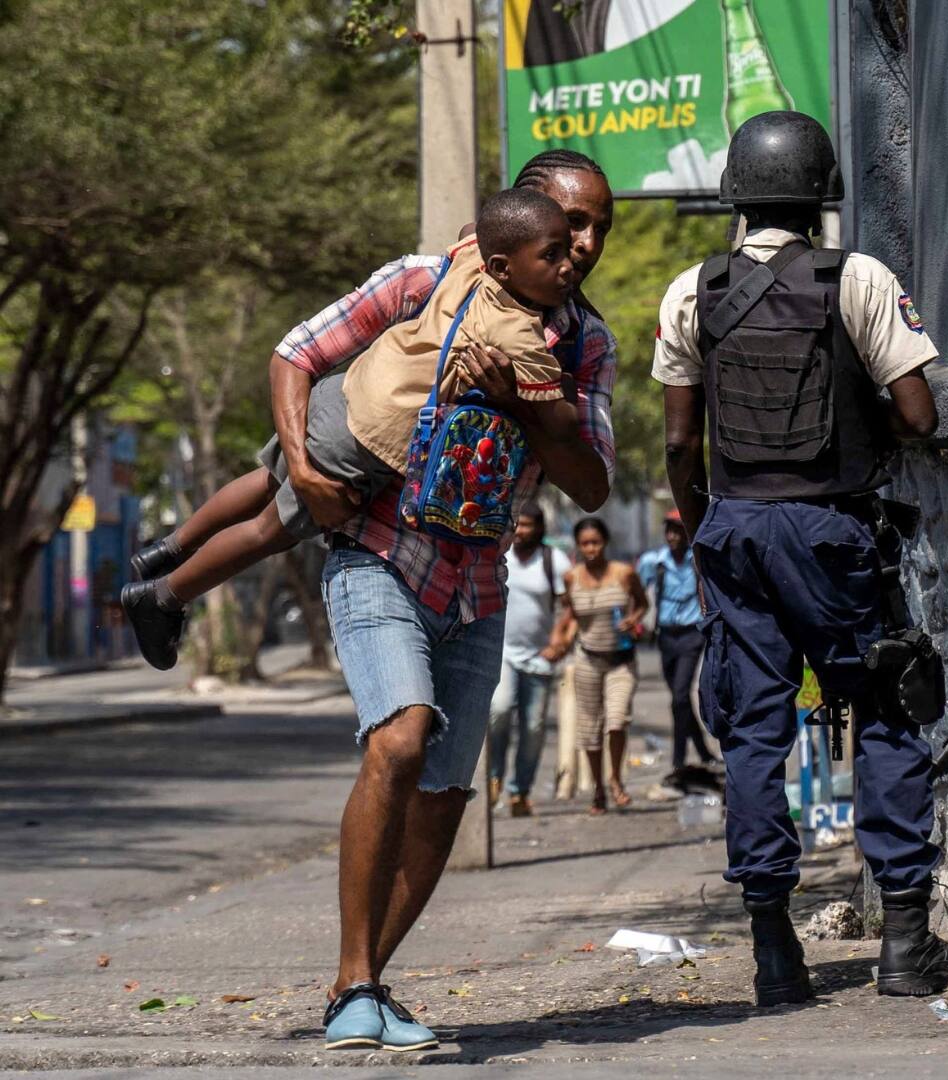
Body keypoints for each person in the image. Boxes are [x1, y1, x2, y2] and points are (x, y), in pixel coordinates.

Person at [172, 149, 615, 1054]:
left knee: (446, 793)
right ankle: (352, 984)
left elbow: (594, 483)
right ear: (518, 226)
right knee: (401, 736)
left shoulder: (581, 343)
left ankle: (364, 981)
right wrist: (298, 462)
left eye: (600, 227)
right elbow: (300, 351)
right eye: (572, 223)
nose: (586, 243)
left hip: (479, 584)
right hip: (377, 555)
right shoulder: (423, 280)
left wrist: (525, 403)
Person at [654, 111, 947, 1007]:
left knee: (753, 731)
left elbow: (677, 443)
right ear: (823, 195)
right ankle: (902, 943)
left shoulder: (689, 292)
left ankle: (775, 956)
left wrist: (710, 523)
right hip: (834, 532)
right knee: (888, 712)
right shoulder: (857, 277)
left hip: (735, 531)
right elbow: (921, 415)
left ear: (735, 197)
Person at [119, 189, 582, 669]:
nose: (569, 265)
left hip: (344, 394)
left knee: (266, 480)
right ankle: (162, 598)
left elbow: (471, 231)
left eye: (566, 251)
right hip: (367, 445)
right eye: (552, 255)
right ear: (505, 266)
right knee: (267, 531)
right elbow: (561, 423)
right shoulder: (519, 332)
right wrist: (563, 387)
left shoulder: (471, 263)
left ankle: (164, 551)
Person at [546, 516, 649, 815]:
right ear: (577, 547)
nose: (591, 548)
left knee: (617, 721)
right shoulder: (572, 579)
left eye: (596, 542)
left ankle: (615, 779)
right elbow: (570, 616)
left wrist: (634, 618)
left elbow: (642, 603)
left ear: (605, 543)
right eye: (585, 543)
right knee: (590, 730)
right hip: (588, 658)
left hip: (621, 661)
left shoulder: (624, 573)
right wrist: (558, 642)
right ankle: (599, 791)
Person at [487, 509, 573, 817]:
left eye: (528, 525)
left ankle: (520, 791)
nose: (521, 530)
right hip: (503, 652)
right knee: (498, 709)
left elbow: (570, 607)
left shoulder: (554, 561)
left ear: (539, 528)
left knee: (533, 727)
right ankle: (493, 775)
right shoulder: (500, 554)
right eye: (518, 524)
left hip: (539, 656)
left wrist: (559, 641)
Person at [638, 509, 717, 788]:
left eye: (678, 530)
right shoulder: (653, 562)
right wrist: (632, 618)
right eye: (669, 531)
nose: (672, 536)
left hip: (692, 635)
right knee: (679, 699)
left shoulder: (697, 560)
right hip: (666, 636)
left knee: (680, 695)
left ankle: (678, 759)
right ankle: (705, 752)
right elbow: (635, 591)